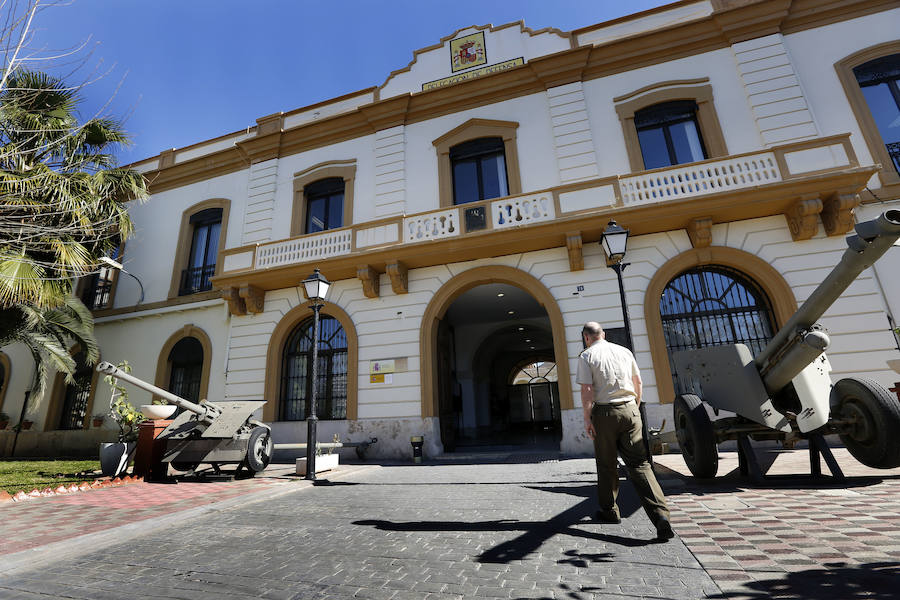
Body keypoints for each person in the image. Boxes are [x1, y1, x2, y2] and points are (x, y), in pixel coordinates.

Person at [576, 321, 674, 541]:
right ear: (604, 334)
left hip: (604, 414)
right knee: (640, 465)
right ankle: (661, 516)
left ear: (586, 337)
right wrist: (634, 407)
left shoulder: (586, 356)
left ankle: (610, 511)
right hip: (630, 408)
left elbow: (587, 391)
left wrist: (587, 420)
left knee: (606, 463)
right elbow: (638, 382)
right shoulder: (624, 351)